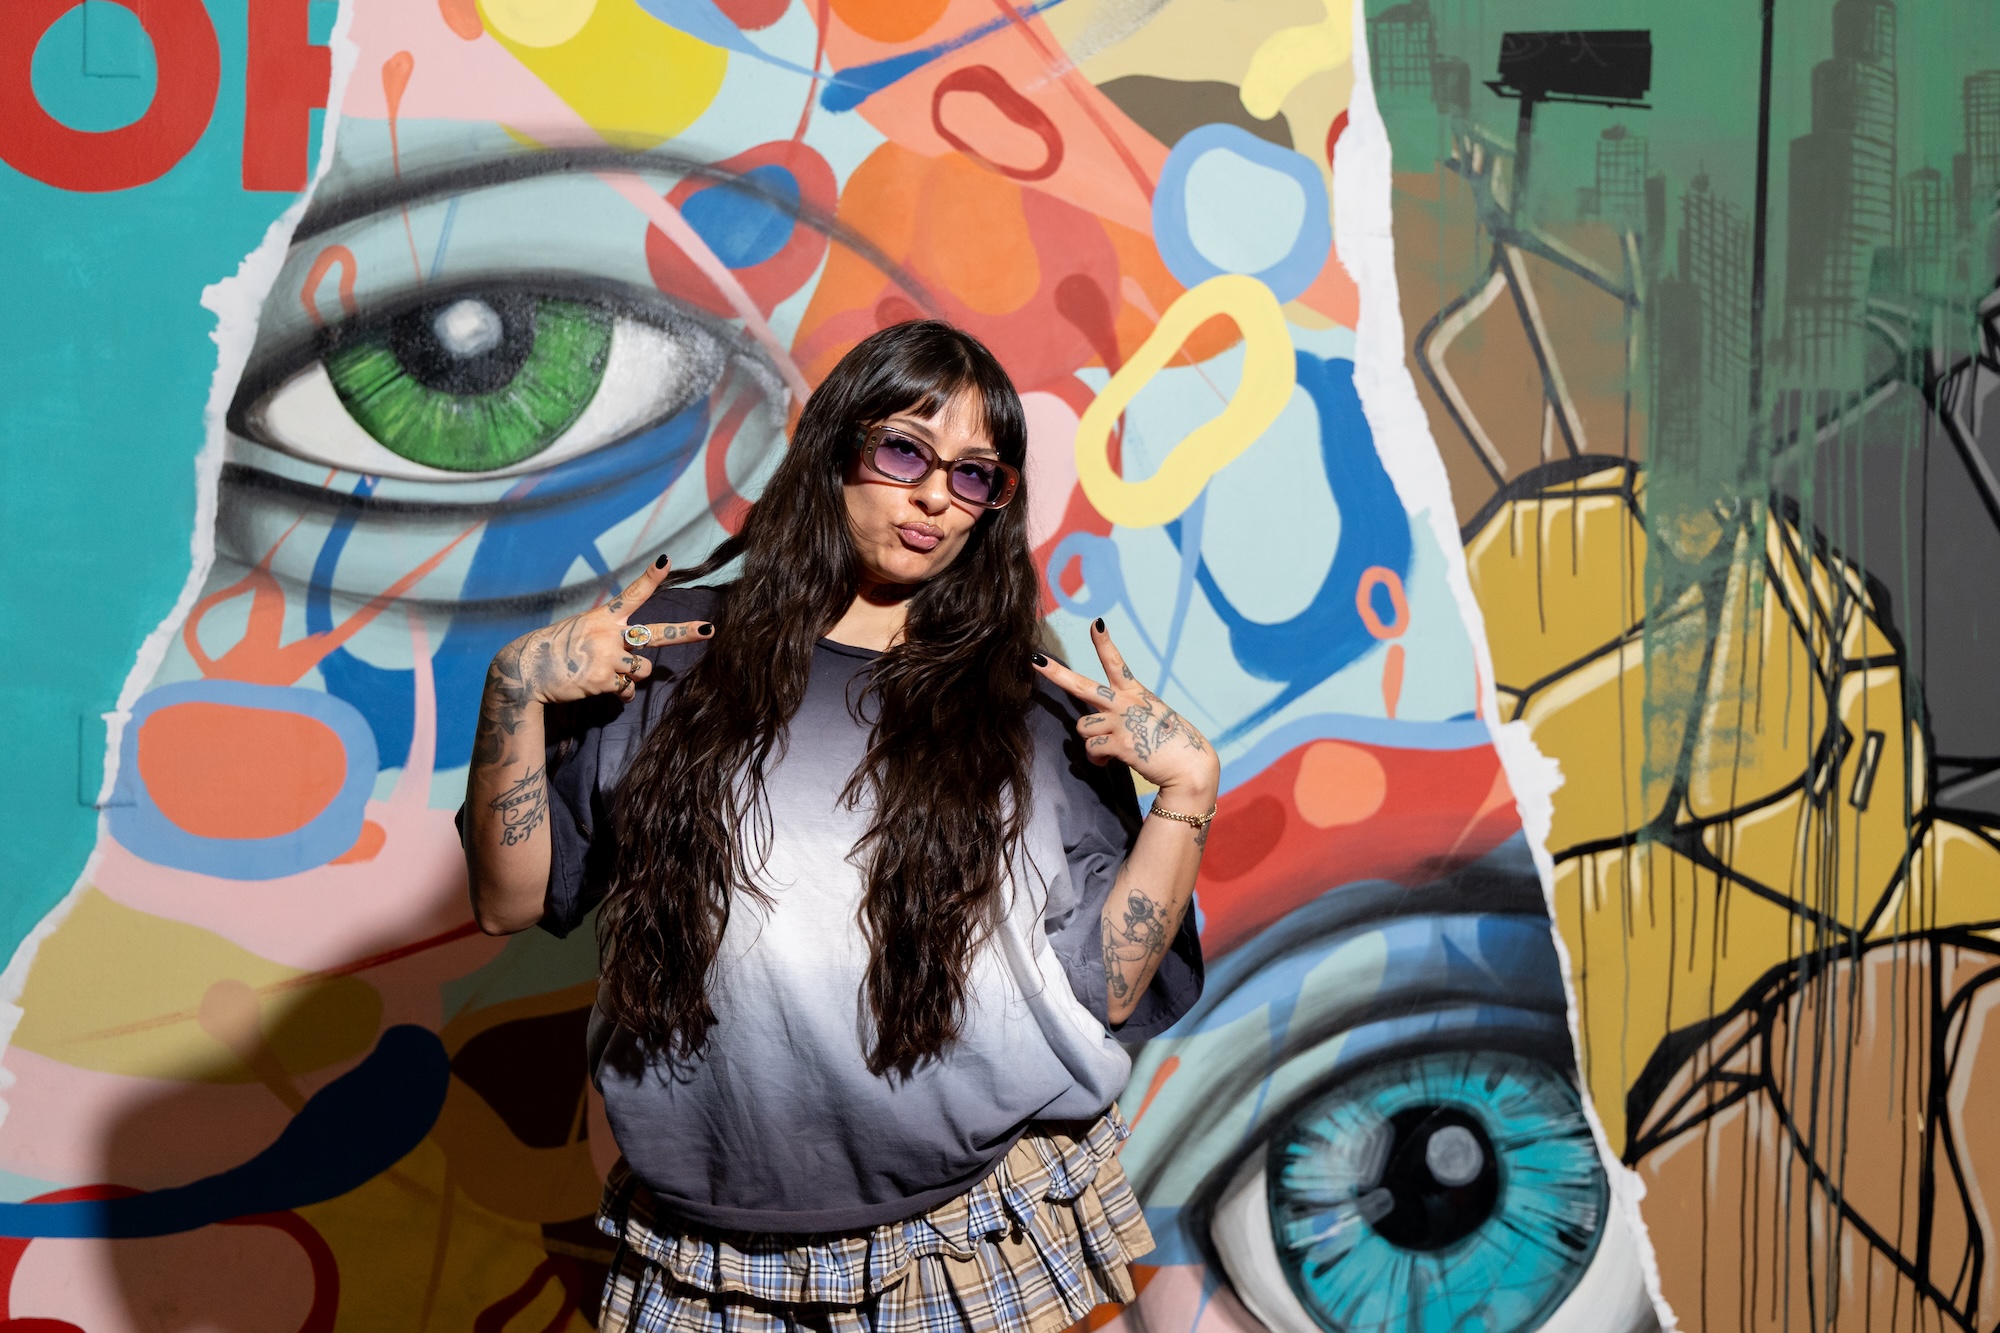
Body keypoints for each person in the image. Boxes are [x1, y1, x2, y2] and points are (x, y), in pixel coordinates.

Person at [461, 320, 1214, 1333]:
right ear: (834, 447)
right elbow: (508, 900)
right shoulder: (671, 652)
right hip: (712, 1249)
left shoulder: (1022, 701)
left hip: (962, 1226)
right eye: (904, 450)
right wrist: (513, 691)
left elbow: (1109, 984)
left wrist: (1185, 795)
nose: (936, 496)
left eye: (975, 474)